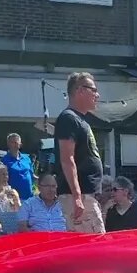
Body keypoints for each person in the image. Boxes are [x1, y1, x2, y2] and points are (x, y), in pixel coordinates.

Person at [55, 72, 106, 233]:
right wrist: (77, 196)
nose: (97, 95)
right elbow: (67, 158)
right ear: (80, 91)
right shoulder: (68, 118)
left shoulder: (80, 119)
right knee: (95, 247)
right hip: (78, 197)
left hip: (86, 195)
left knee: (94, 248)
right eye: (94, 90)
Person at [1, 133, 35, 201]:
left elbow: (31, 175)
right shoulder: (4, 161)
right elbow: (1, 180)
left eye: (16, 142)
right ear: (8, 144)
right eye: (12, 142)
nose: (14, 144)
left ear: (20, 144)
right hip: (13, 199)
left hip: (29, 197)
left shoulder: (26, 158)